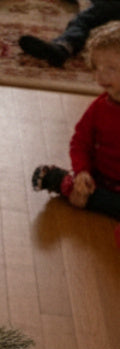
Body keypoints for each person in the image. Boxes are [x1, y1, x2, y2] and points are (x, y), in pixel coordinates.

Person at [31, 20, 120, 218]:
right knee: (88, 190)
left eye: (111, 69)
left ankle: (64, 185)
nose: (100, 76)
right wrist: (82, 172)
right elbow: (80, 142)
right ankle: (70, 184)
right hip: (99, 180)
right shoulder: (99, 107)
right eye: (96, 68)